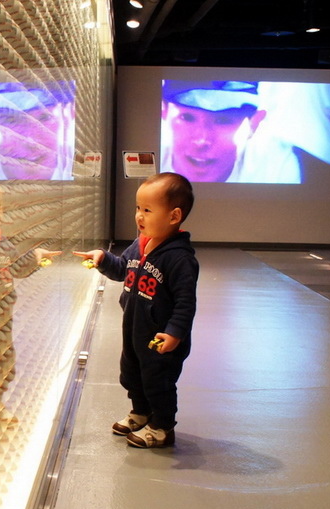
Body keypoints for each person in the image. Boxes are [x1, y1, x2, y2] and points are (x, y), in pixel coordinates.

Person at [74, 172, 199, 448]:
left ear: (174, 216)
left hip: (160, 337)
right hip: (134, 327)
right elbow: (122, 270)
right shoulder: (139, 246)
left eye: (147, 210)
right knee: (132, 373)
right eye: (137, 208)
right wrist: (103, 258)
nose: (139, 216)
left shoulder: (179, 259)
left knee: (158, 380)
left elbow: (185, 302)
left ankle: (162, 426)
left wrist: (174, 333)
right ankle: (141, 413)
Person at [160, 80, 301, 184]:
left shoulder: (275, 166)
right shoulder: (149, 155)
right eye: (187, 118)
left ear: (254, 123)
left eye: (223, 121)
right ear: (164, 112)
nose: (201, 140)